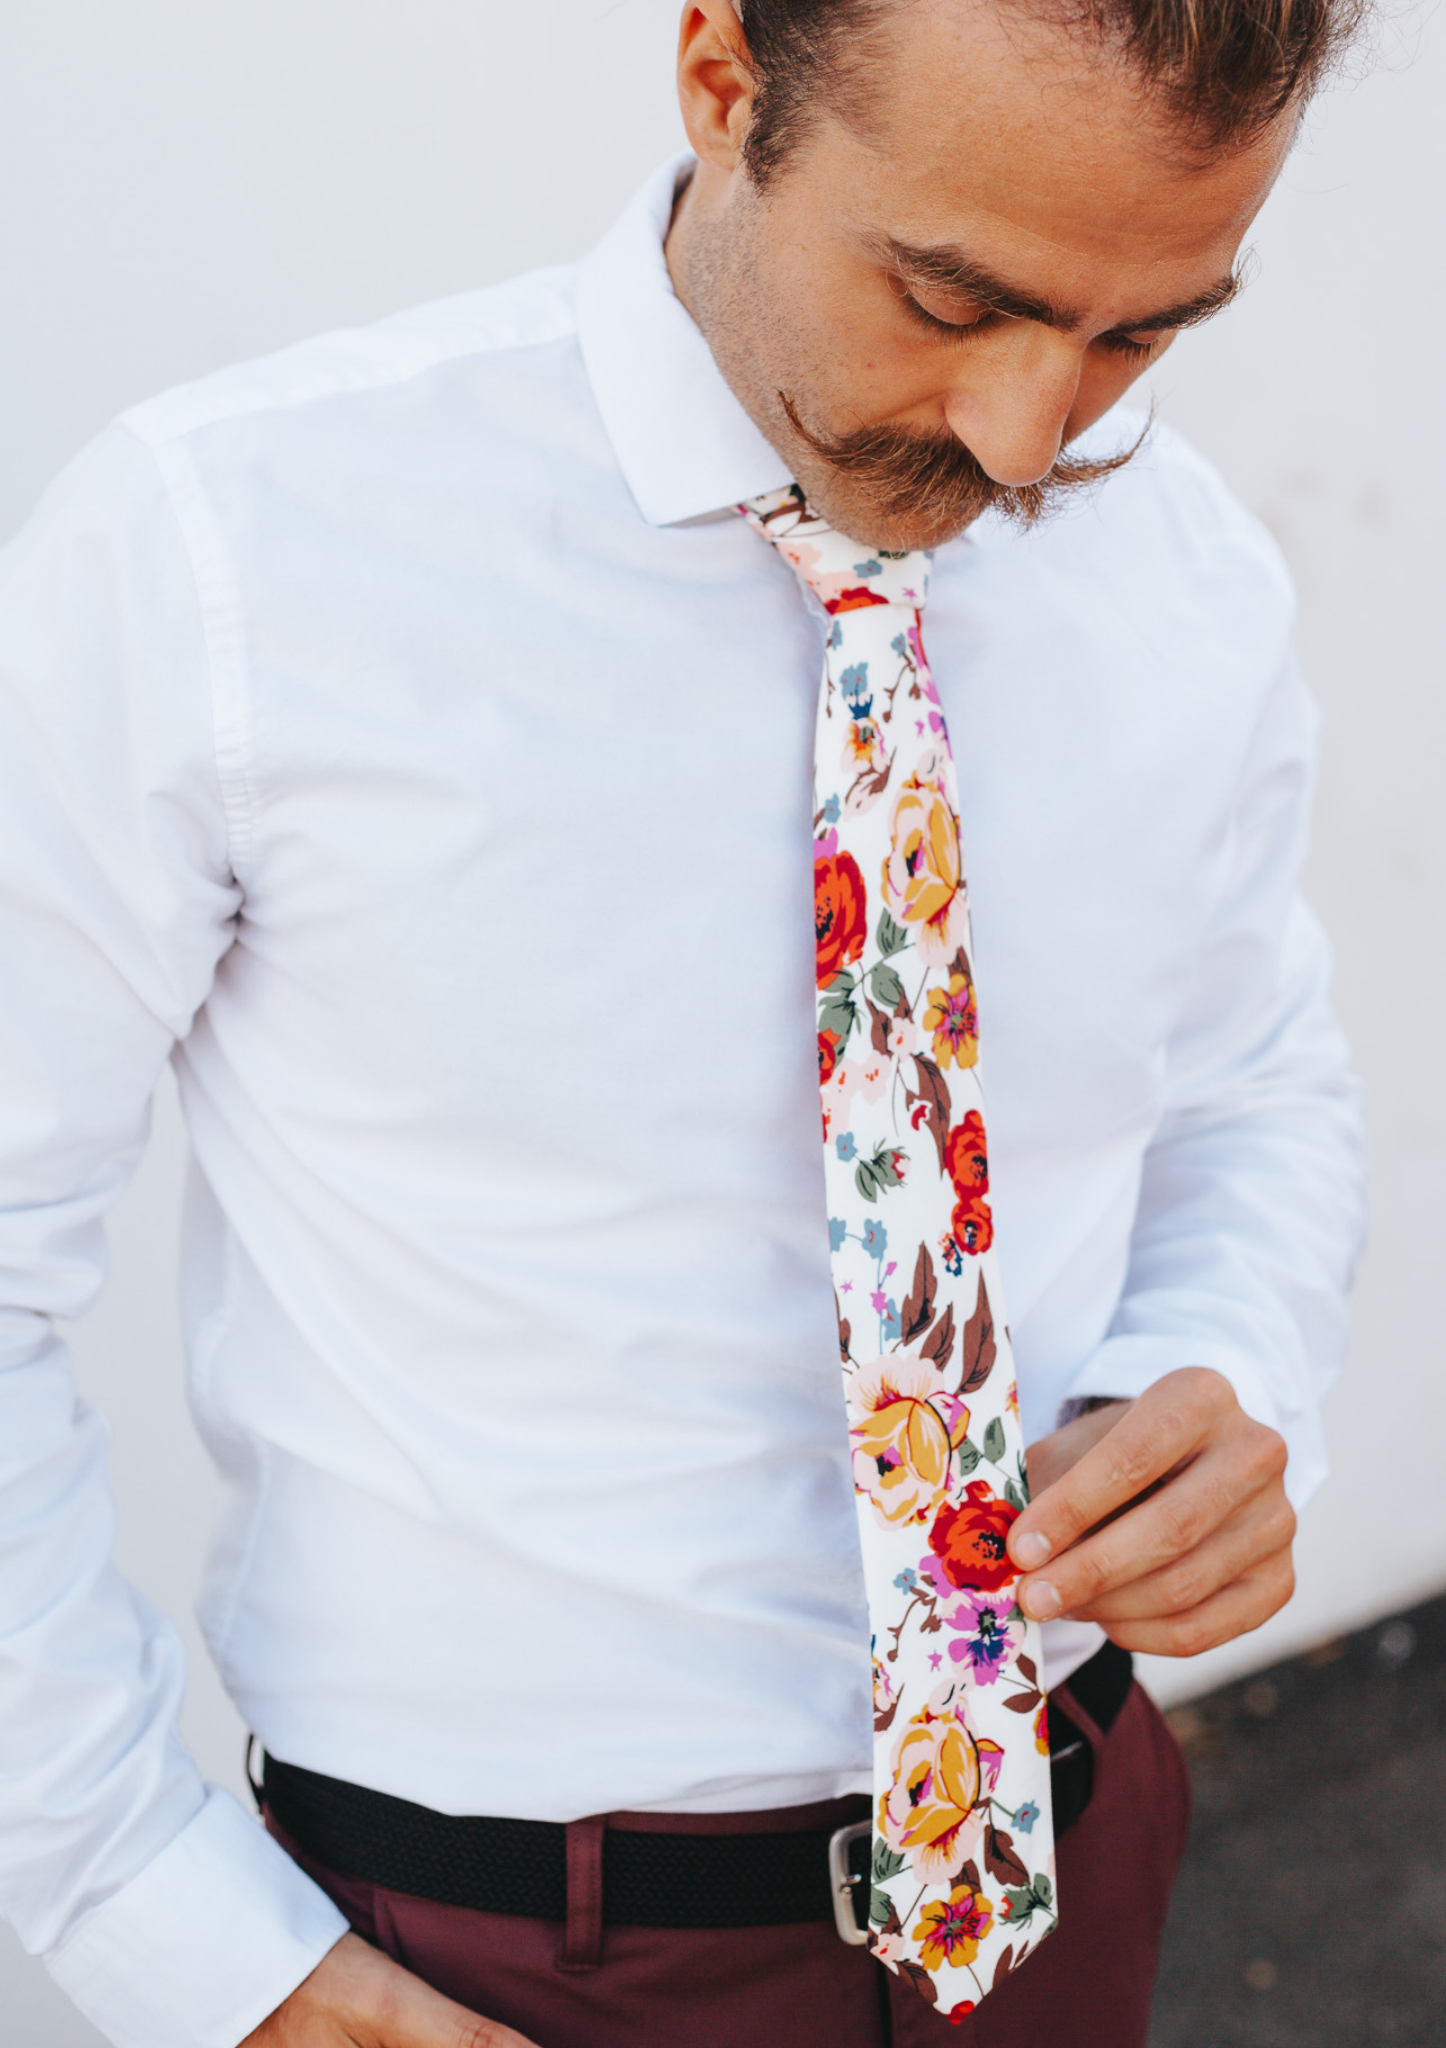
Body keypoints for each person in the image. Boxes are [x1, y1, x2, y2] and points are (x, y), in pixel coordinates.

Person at [0, 0, 1369, 2043]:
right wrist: (170, 1930)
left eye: (1143, 332)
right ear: (724, 75)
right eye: (950, 296)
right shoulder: (228, 550)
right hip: (486, 1955)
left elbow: (1256, 1074)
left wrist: (1231, 1361)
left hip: (1065, 1858)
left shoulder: (1186, 573)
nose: (1026, 435)